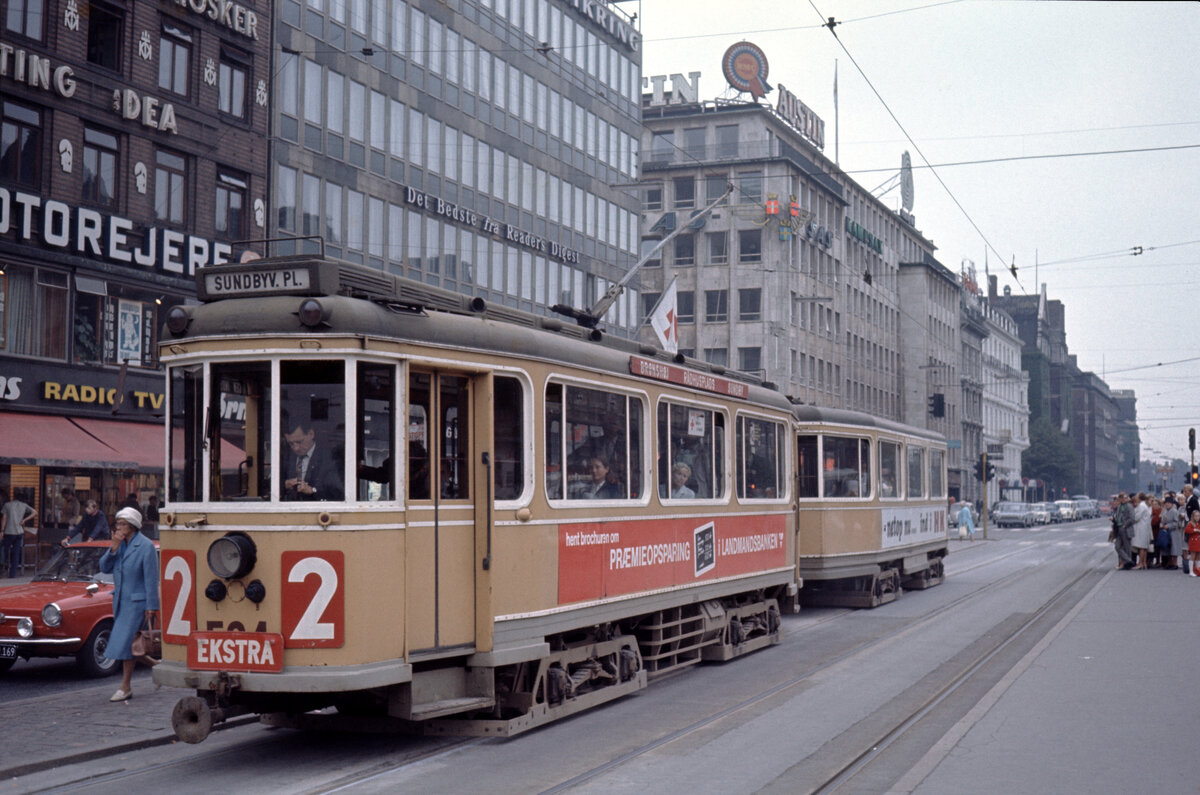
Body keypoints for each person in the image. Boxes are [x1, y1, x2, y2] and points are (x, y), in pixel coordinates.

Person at [99, 507, 160, 702]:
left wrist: (152, 605)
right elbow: (104, 567)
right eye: (117, 523)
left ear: (132, 526)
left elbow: (151, 578)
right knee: (131, 645)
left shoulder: (145, 546)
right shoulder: (120, 545)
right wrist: (113, 548)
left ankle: (125, 687)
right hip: (120, 602)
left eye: (122, 524)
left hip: (137, 603)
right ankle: (157, 667)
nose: (118, 527)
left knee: (125, 643)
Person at [282, 421, 344, 501]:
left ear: (311, 434)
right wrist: (284, 485)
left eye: (299, 442)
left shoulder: (330, 458)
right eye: (291, 444)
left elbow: (339, 493)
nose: (296, 448)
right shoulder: (286, 457)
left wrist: (313, 491)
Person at [1, 492, 36, 578]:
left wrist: (2, 530)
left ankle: (2, 568)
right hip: (19, 532)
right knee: (16, 554)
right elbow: (35, 512)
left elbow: (4, 518)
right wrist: (24, 520)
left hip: (9, 532)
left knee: (3, 550)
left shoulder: (7, 505)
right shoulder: (24, 505)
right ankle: (12, 574)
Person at [1112, 493, 1135, 570]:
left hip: (1125, 528)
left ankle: (1127, 564)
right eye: (1123, 498)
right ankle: (1129, 561)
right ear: (1120, 499)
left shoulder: (1129, 506)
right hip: (1119, 528)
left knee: (1127, 546)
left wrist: (1125, 525)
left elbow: (1132, 518)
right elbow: (1118, 517)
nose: (1125, 499)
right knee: (1117, 546)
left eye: (1126, 498)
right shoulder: (1119, 506)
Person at [1130, 492, 1152, 570]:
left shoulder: (1141, 506)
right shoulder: (1144, 505)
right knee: (1144, 547)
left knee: (1141, 547)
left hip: (1141, 528)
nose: (1135, 497)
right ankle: (1144, 563)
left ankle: (1140, 563)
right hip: (1144, 527)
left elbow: (1136, 517)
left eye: (1137, 496)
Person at [1160, 497, 1181, 570]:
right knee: (1167, 547)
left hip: (1174, 532)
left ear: (1172, 504)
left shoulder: (1174, 511)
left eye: (1169, 503)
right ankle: (1169, 562)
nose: (1167, 504)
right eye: (1166, 503)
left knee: (1174, 548)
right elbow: (1162, 520)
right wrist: (1161, 524)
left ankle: (1175, 563)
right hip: (1166, 532)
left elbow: (1177, 522)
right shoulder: (1164, 511)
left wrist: (1168, 526)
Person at [1185, 510, 1200, 577]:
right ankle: (1191, 571)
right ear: (1193, 517)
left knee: (1198, 557)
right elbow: (1187, 530)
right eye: (1196, 516)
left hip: (1198, 541)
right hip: (1193, 541)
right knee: (1193, 556)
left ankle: (1197, 570)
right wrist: (1194, 530)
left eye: (1198, 516)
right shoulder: (1190, 523)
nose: (1197, 517)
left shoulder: (1199, 524)